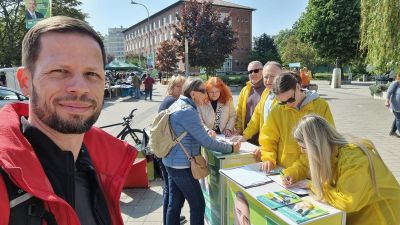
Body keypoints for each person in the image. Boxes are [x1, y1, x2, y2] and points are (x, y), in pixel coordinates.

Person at [0, 16, 137, 225]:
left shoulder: (103, 166)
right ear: (25, 82)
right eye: (59, 71)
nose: (80, 87)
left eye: (92, 73)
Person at [283, 114, 400, 225]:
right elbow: (305, 163)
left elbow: (347, 201)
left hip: (381, 216)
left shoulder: (353, 159)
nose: (302, 151)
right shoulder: (330, 148)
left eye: (304, 147)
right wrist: (292, 174)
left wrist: (312, 185)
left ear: (316, 145)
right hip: (361, 212)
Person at [162, 78, 241, 225]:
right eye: (203, 91)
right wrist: (231, 148)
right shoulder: (188, 111)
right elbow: (206, 141)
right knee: (198, 205)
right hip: (181, 166)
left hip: (171, 162)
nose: (206, 95)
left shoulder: (179, 104)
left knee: (175, 203)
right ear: (193, 93)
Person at [259, 71, 334, 174]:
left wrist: (298, 171)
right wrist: (268, 158)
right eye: (283, 102)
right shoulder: (277, 109)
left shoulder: (321, 106)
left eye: (290, 99)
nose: (288, 104)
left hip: (314, 170)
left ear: (298, 87)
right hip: (284, 169)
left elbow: (328, 140)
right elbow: (268, 138)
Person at [155, 75, 187, 225]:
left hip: (163, 150)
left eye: (183, 86)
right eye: (178, 87)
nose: (181, 90)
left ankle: (170, 218)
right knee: (171, 189)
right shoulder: (173, 102)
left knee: (168, 188)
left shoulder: (169, 100)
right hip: (167, 151)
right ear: (172, 87)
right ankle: (169, 220)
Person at [239, 61, 282, 160]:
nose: (268, 80)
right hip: (267, 148)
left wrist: (265, 149)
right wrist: (244, 136)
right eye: (266, 77)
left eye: (272, 77)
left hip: (279, 150)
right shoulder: (266, 93)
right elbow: (256, 117)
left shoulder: (285, 98)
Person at [235, 61, 266, 145]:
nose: (253, 73)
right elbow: (239, 112)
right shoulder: (245, 90)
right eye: (250, 71)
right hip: (246, 138)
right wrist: (238, 129)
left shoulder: (269, 89)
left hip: (264, 139)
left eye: (256, 70)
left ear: (263, 71)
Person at [385, 72, 400, 138]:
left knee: (397, 118)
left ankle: (392, 131)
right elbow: (389, 92)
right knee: (399, 119)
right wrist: (387, 101)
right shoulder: (396, 83)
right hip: (397, 105)